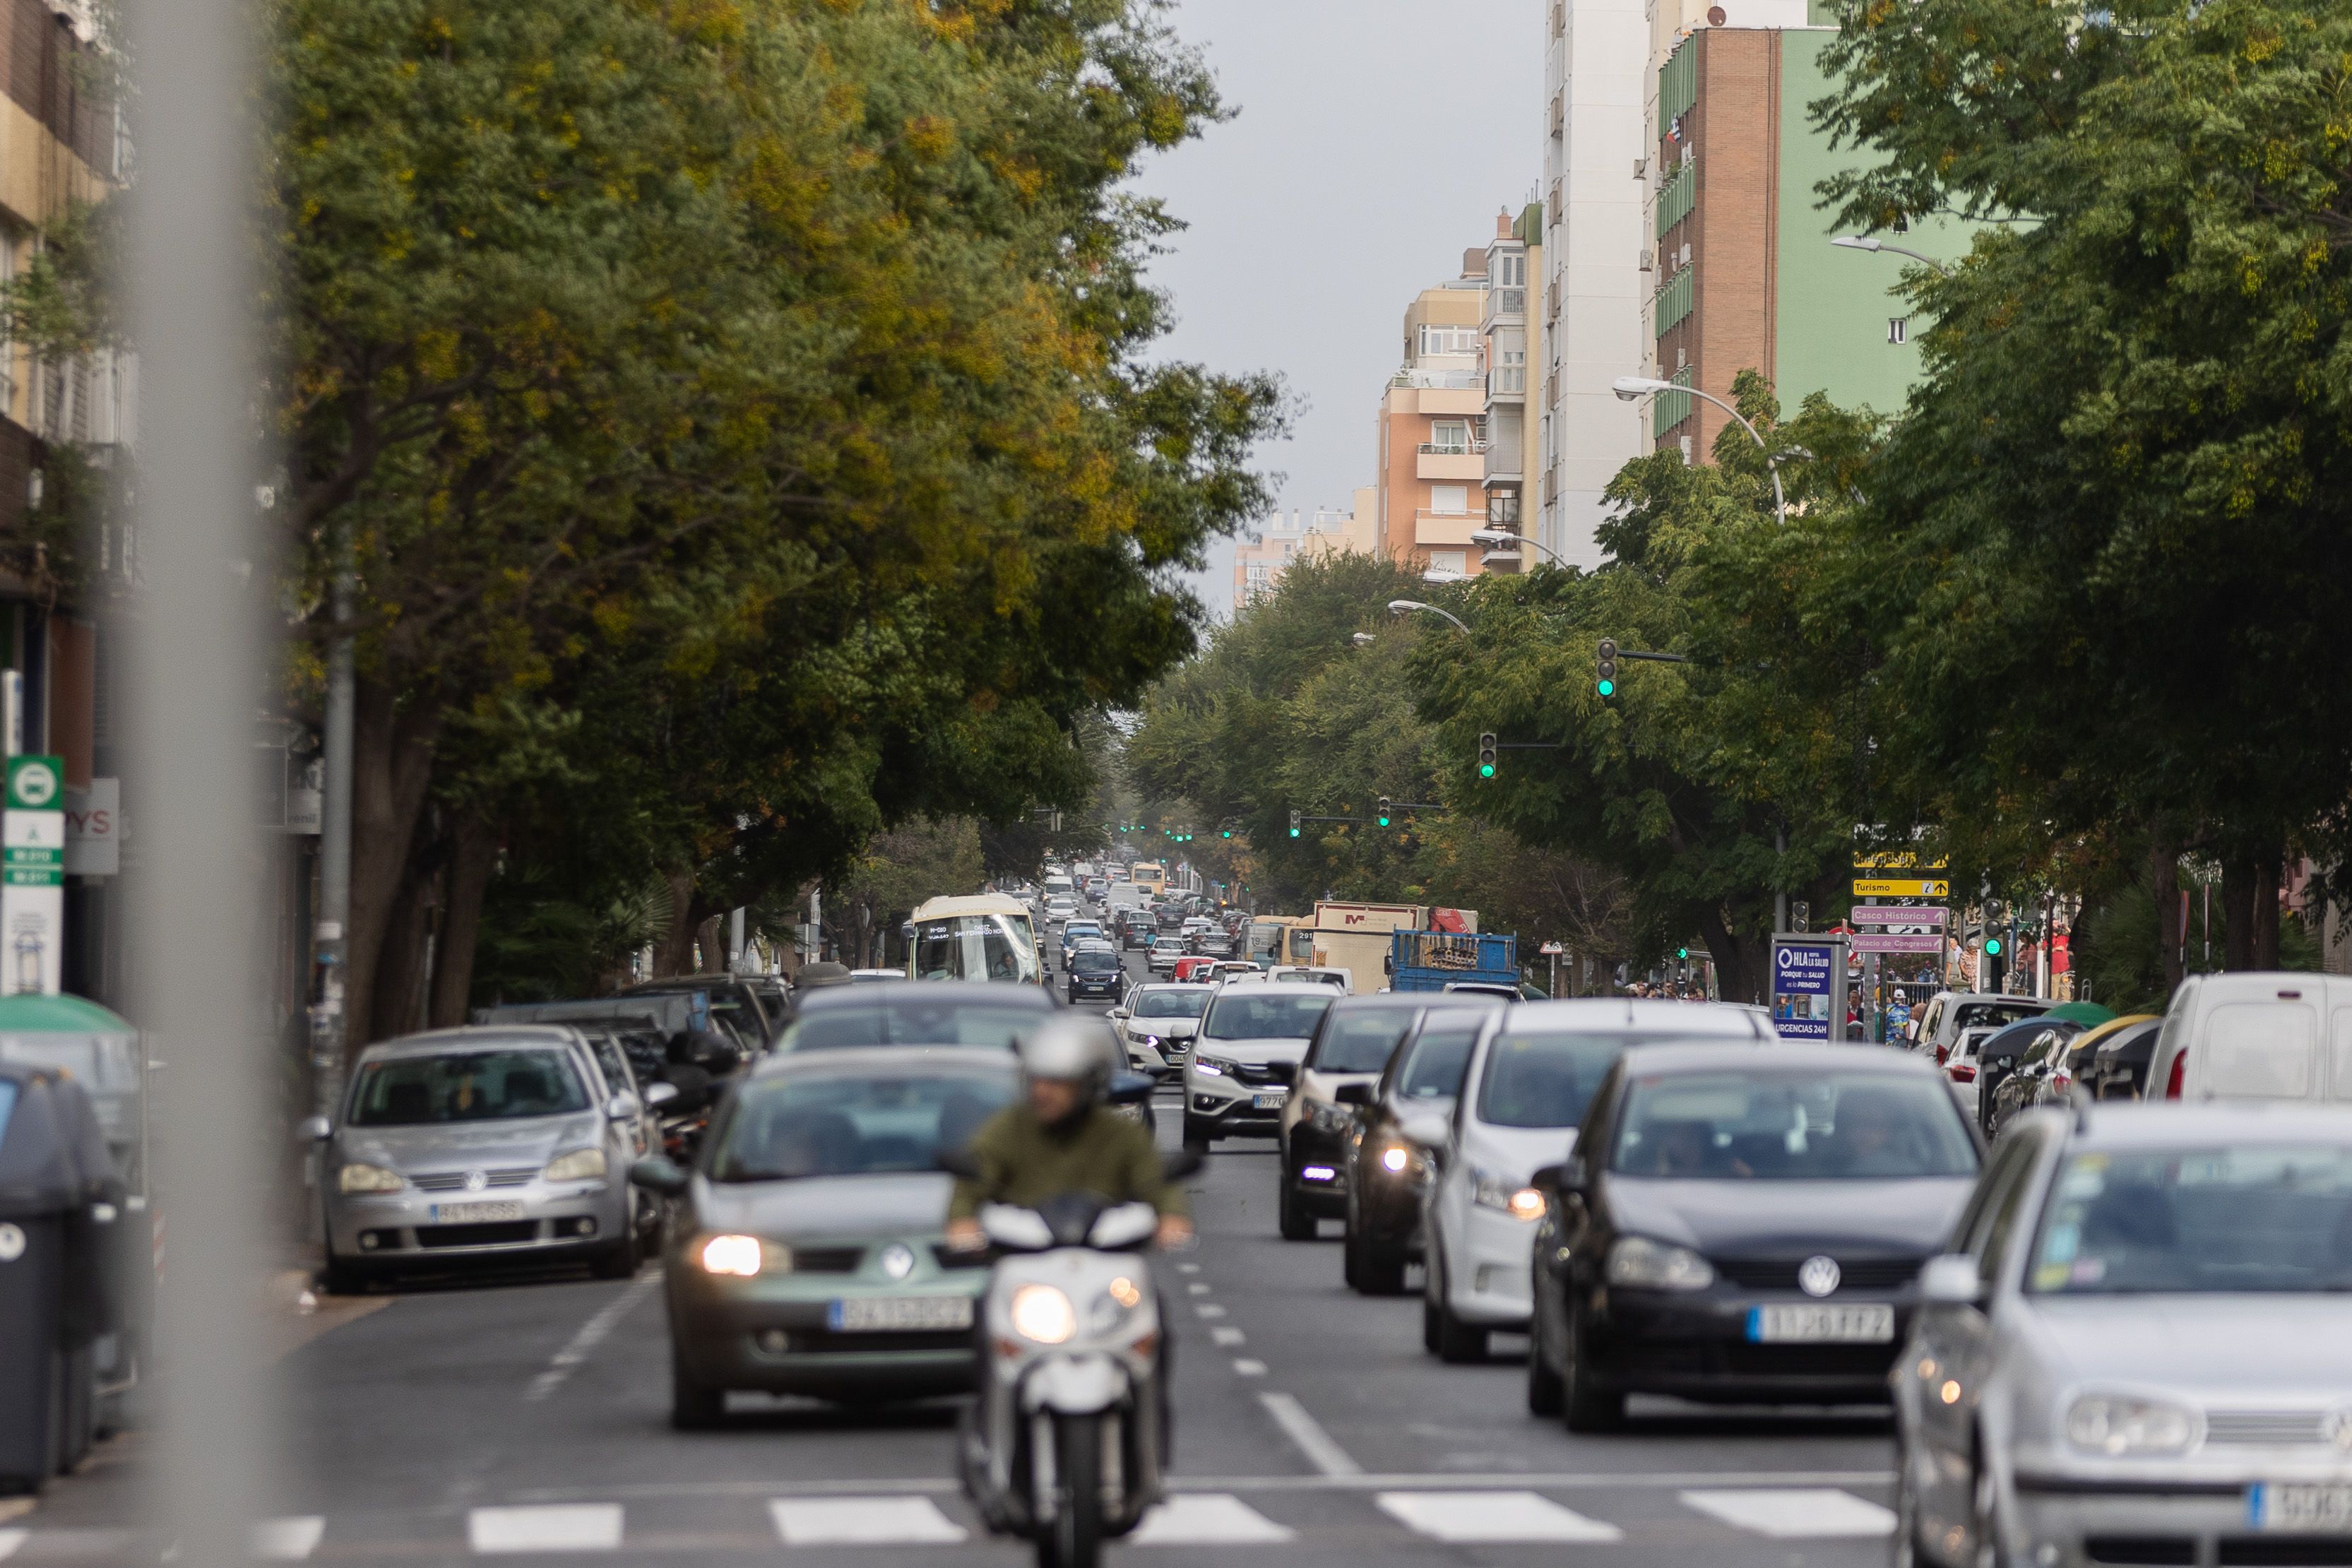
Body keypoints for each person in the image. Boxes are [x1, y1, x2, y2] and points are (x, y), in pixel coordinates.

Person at [945, 1015, 1192, 1251]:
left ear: (1087, 1084)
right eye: (1036, 1081)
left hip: (1104, 1254)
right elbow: (975, 1177)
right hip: (1026, 1255)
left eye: (1057, 1083)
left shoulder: (1119, 1134)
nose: (1042, 1093)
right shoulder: (1010, 1128)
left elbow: (1153, 1179)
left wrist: (1170, 1217)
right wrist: (963, 1222)